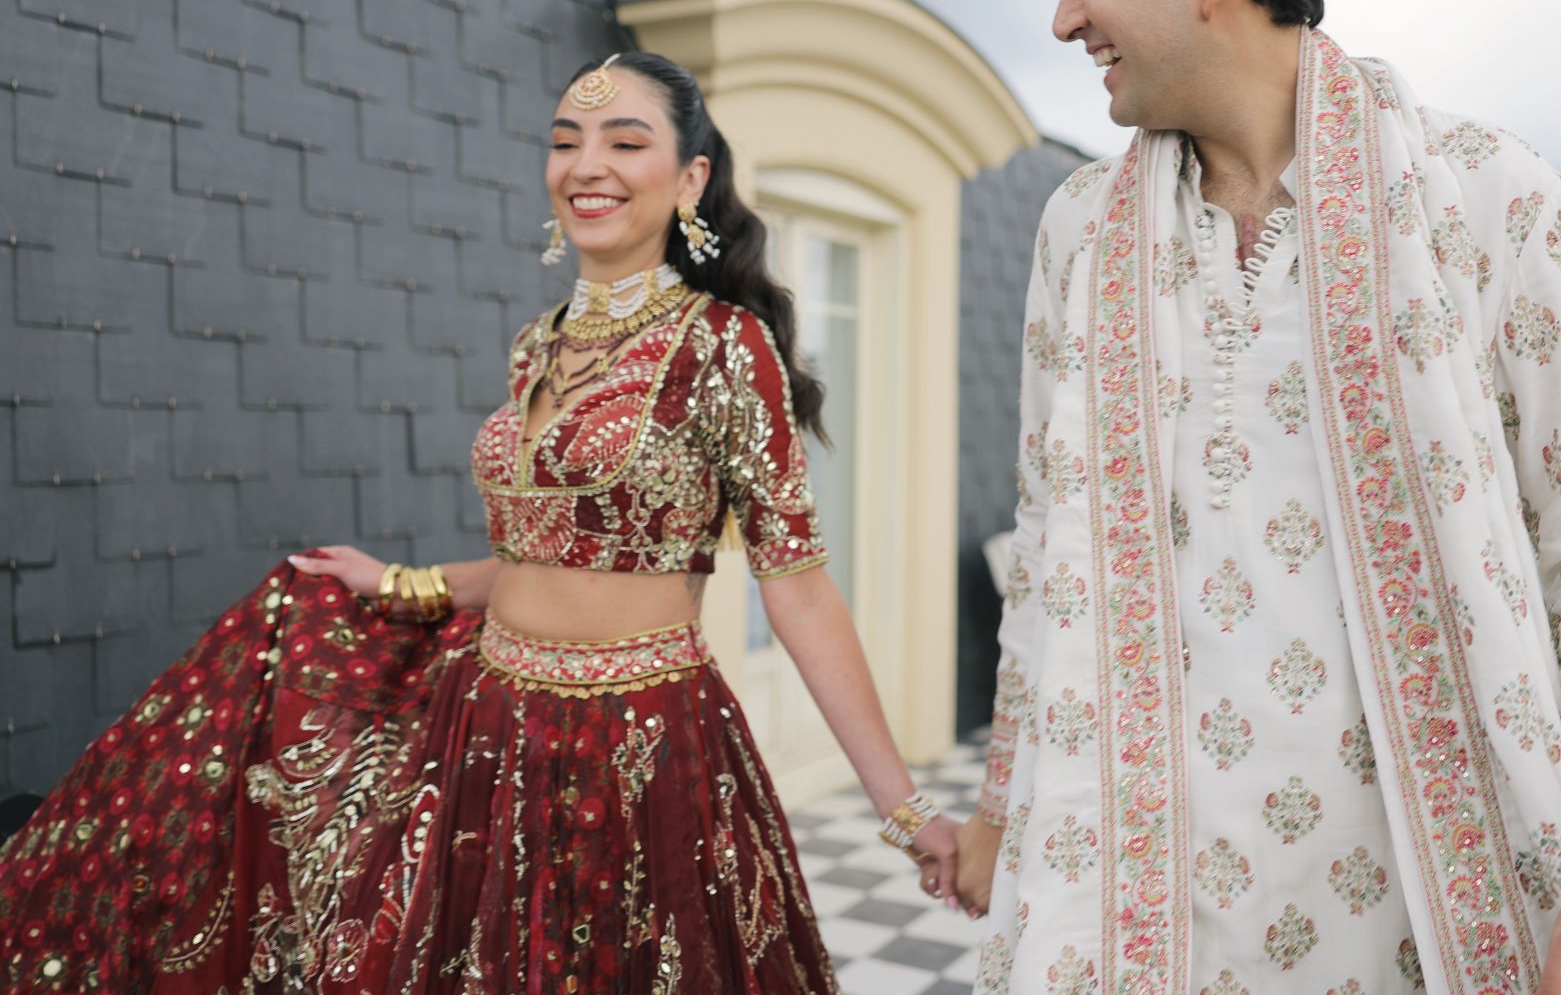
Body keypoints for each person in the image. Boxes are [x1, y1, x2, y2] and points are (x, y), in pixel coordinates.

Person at [950, 0, 1561, 995]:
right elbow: (1052, 555)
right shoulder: (1077, 232)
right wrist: (1006, 806)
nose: (1066, 18)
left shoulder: (1489, 199)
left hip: (1424, 910)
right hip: (1143, 908)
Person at [0, 50, 960, 992]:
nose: (587, 166)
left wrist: (906, 811)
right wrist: (398, 584)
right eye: (565, 141)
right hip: (489, 725)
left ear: (690, 178)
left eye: (625, 142)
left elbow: (797, 589)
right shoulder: (537, 343)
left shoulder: (722, 346)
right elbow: (538, 559)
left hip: (635, 744)